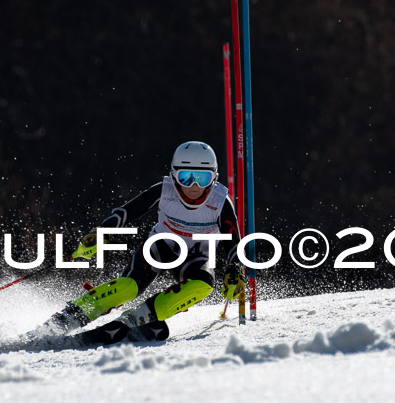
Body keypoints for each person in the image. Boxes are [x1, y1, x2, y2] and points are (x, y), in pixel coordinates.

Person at [27, 141, 245, 346]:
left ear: (214, 179)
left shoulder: (219, 201)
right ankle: (68, 317)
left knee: (203, 284)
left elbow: (235, 243)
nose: (194, 186)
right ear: (174, 175)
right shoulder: (164, 190)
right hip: (159, 247)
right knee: (129, 287)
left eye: (202, 178)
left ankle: (135, 319)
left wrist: (234, 269)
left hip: (198, 255)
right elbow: (126, 212)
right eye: (186, 177)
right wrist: (103, 232)